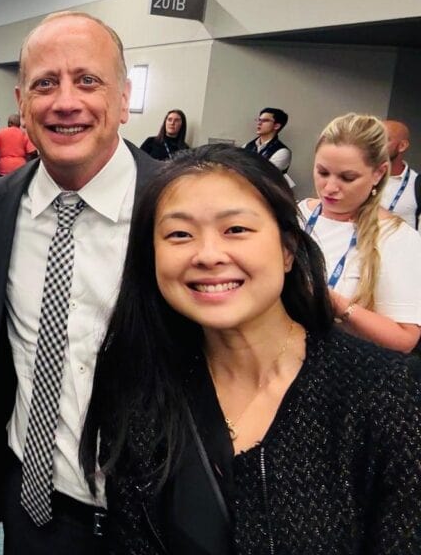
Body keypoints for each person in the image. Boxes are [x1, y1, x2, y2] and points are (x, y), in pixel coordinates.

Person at [81, 144, 421, 554]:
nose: (208, 255)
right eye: (179, 234)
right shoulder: (139, 382)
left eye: (236, 230)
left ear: (287, 248)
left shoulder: (387, 393)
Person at [0, 11, 159, 555]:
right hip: (35, 507)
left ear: (123, 100)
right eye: (45, 84)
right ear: (23, 103)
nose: (65, 101)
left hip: (156, 518)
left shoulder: (181, 206)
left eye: (87, 80)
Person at [299, 113, 421, 353]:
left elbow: (405, 340)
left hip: (340, 371)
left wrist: (335, 304)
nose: (330, 188)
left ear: (378, 173)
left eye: (347, 178)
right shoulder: (295, 215)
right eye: (323, 173)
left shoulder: (397, 238)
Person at [381, 118, 419, 228]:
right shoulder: (360, 177)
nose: (375, 144)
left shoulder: (416, 185)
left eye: (383, 139)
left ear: (402, 146)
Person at [243, 107, 291, 172]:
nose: (259, 123)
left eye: (265, 120)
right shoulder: (247, 146)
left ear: (276, 126)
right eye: (259, 120)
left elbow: (263, 174)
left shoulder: (282, 152)